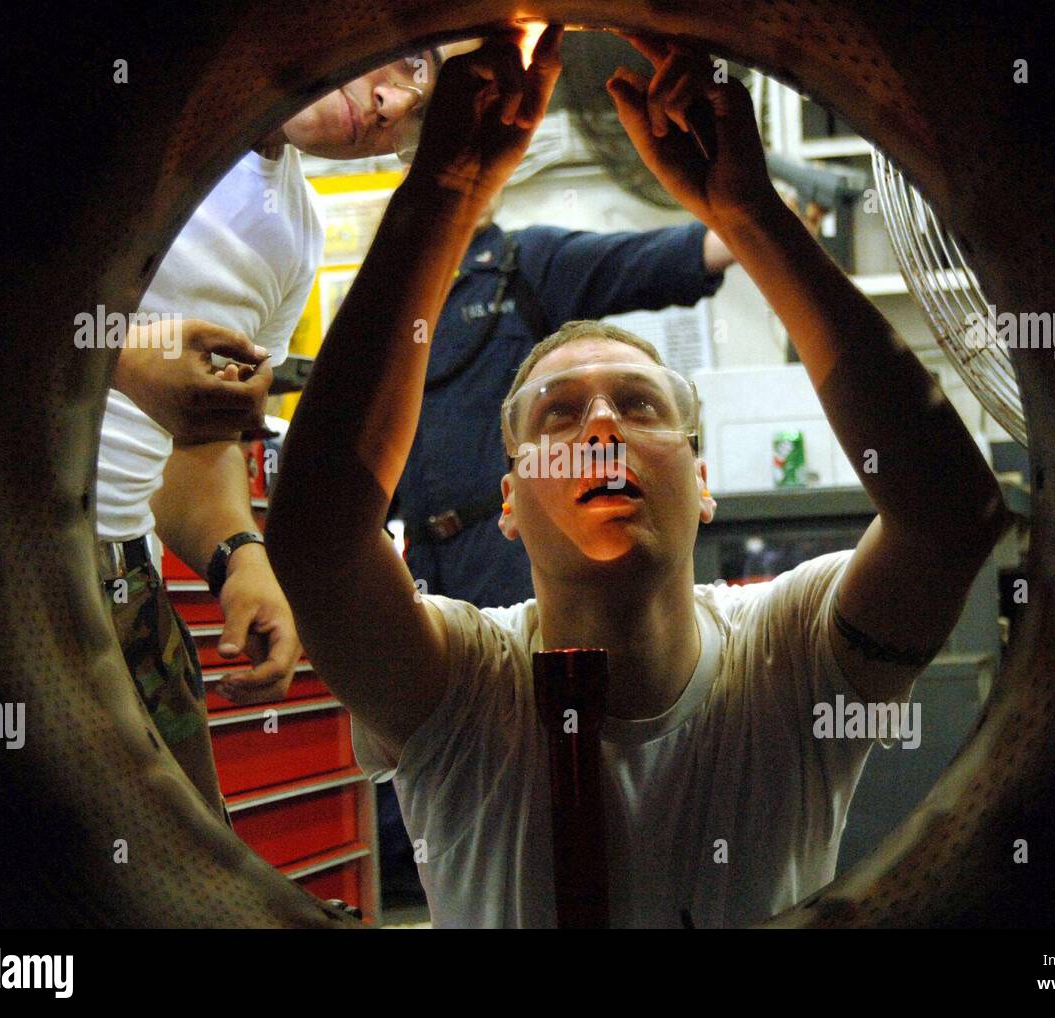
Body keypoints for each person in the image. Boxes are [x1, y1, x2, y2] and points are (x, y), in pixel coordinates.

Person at [268, 26, 1010, 927]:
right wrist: (444, 188)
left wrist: (753, 215)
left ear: (703, 485)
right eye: (558, 412)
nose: (604, 425)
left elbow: (952, 516)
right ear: (509, 502)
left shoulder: (789, 656)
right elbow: (316, 538)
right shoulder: (462, 683)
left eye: (642, 404)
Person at [97, 48, 443, 818]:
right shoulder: (115, 106)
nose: (393, 104)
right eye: (409, 60)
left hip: (118, 579)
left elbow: (195, 445)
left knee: (185, 863)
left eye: (423, 114)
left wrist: (237, 555)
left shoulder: (292, 234)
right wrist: (115, 359)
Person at [397, 190, 734, 610]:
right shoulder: (398, 289)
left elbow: (643, 261)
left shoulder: (525, 263)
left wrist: (748, 228)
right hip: (422, 554)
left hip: (508, 544)